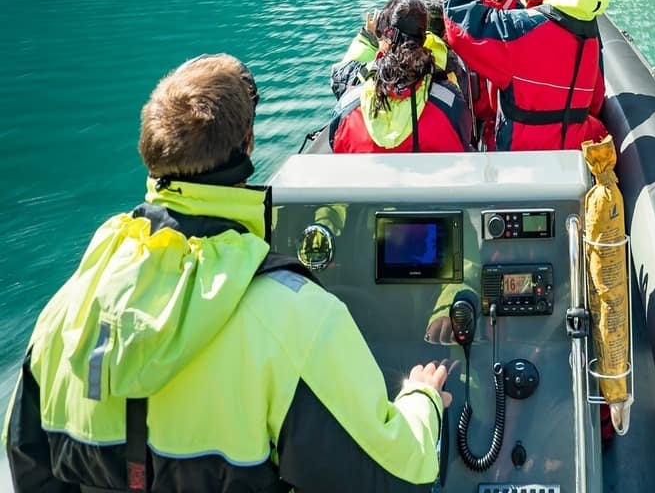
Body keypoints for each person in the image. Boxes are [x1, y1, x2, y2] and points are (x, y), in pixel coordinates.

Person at [3, 54, 450, 492]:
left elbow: (28, 464)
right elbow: (398, 471)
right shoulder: (298, 317)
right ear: (248, 143)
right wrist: (422, 398)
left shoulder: (64, 313)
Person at [444, 0, 611, 151]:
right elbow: (540, 37)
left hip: (522, 160)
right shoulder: (590, 33)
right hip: (571, 157)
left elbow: (459, 19)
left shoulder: (527, 34)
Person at [330, 0, 472, 153]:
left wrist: (368, 38)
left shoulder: (348, 106)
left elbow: (338, 76)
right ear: (424, 39)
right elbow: (464, 138)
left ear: (386, 36)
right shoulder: (450, 103)